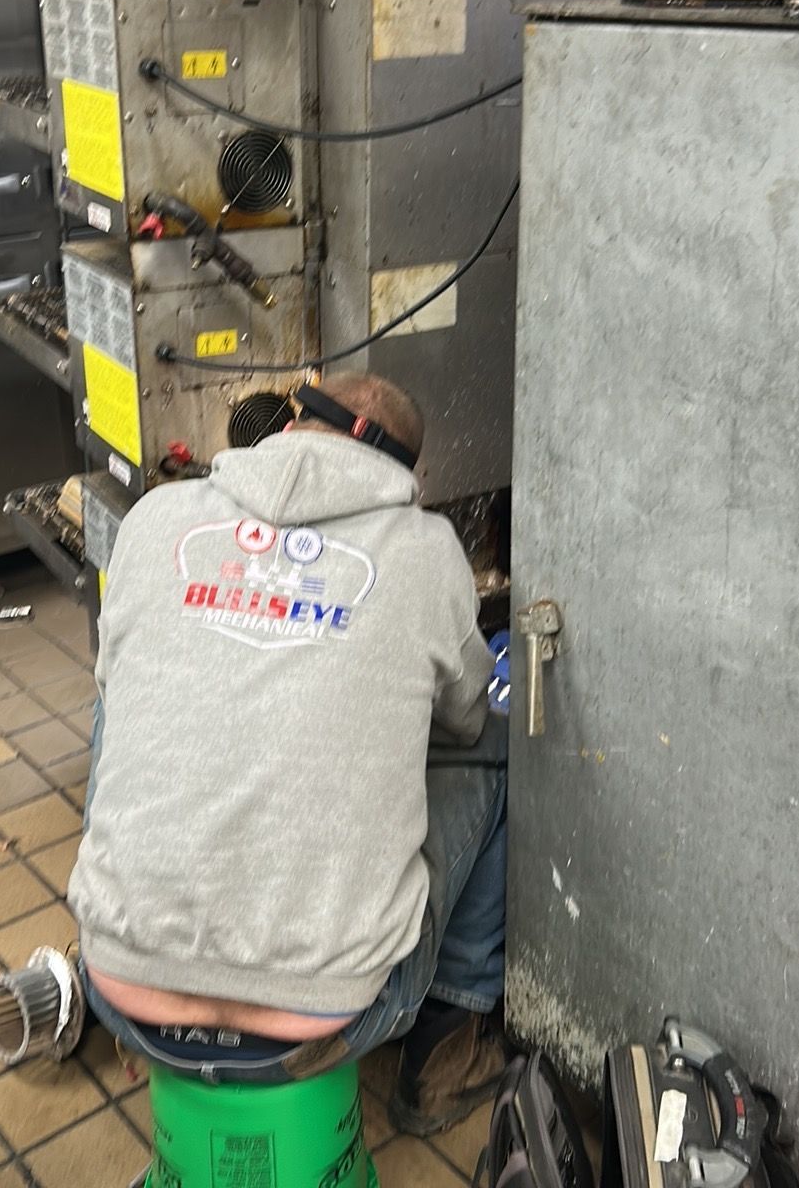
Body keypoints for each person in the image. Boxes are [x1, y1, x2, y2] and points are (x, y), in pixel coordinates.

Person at [66, 372, 509, 1135]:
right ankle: (446, 1052)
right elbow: (466, 719)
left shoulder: (156, 516)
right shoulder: (426, 549)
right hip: (337, 1021)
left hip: (122, 998)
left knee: (123, 690)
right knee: (502, 744)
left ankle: (137, 944)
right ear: (407, 474)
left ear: (286, 423)